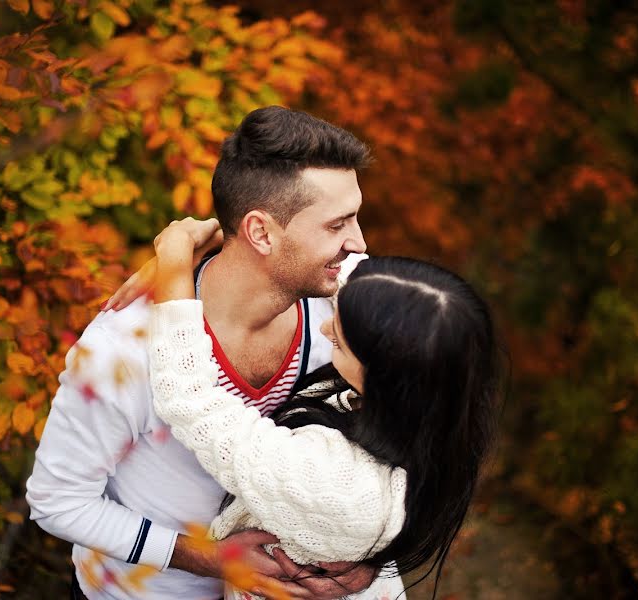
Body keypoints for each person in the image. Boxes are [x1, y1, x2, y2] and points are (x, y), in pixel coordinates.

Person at [26, 106, 380, 599]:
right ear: (260, 232)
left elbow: (416, 437)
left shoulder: (342, 320)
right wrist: (207, 559)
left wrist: (373, 560)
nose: (359, 243)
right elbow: (56, 502)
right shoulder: (122, 351)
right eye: (337, 224)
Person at [138, 217, 502, 599]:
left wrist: (175, 263)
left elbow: (190, 399)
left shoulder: (335, 480)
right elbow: (360, 284)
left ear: (387, 377)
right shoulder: (438, 411)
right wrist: (251, 232)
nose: (327, 330)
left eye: (341, 340)